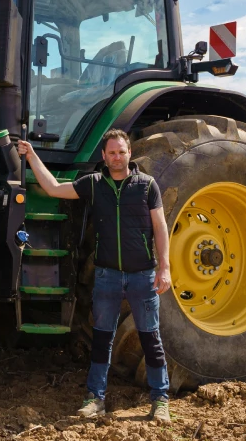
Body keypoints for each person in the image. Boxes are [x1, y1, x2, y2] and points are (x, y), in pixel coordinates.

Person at [17, 129, 173, 423]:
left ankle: (160, 400)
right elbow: (52, 188)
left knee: (150, 338)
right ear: (104, 156)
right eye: (112, 153)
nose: (117, 157)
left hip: (142, 276)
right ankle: (95, 399)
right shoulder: (94, 184)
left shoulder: (146, 185)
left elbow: (160, 227)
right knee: (102, 340)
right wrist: (31, 155)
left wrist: (164, 268)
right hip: (107, 276)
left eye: (122, 152)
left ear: (130, 154)